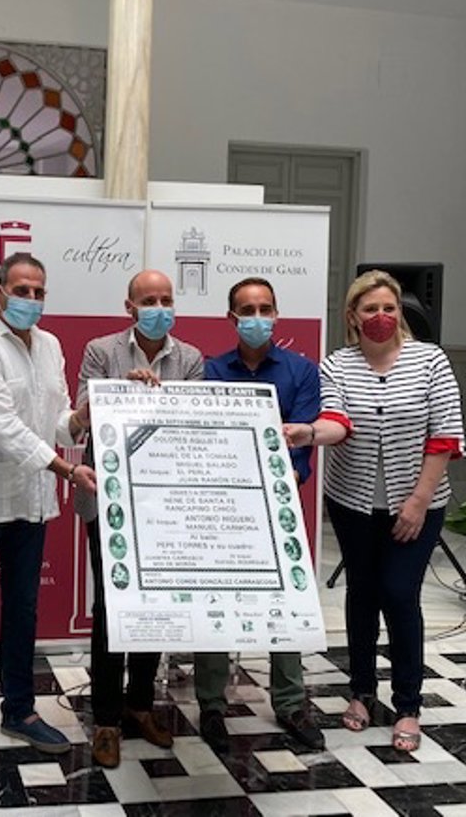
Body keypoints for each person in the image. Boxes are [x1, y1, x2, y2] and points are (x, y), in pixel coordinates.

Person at [284, 269, 464, 753]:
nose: (381, 316)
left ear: (399, 312)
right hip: (353, 502)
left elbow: (445, 435)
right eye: (370, 309)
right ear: (353, 316)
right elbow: (336, 421)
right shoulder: (337, 365)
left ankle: (408, 704)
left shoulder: (430, 361)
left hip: (419, 501)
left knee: (401, 594)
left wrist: (418, 502)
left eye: (389, 308)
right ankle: (362, 691)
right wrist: (307, 433)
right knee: (362, 594)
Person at [0, 252, 97, 771]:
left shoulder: (50, 345)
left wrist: (82, 417)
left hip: (31, 497)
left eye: (38, 291)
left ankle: (19, 710)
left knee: (23, 607)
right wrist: (67, 469)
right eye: (21, 290)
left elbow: (55, 419)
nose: (31, 299)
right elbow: (3, 426)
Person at [74, 269, 203, 768]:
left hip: (164, 503)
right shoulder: (101, 351)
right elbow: (81, 417)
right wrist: (119, 392)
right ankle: (106, 719)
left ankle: (140, 705)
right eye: (149, 300)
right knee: (111, 608)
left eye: (166, 299)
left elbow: (192, 425)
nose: (159, 308)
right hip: (108, 499)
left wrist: (158, 398)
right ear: (129, 307)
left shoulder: (190, 358)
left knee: (156, 606)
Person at [195, 277, 325, 753]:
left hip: (278, 505)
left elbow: (302, 439)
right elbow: (208, 436)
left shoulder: (301, 371)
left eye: (264, 308)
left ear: (276, 314)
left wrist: (287, 472)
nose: (256, 317)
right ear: (231, 318)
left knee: (284, 604)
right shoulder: (212, 371)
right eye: (247, 310)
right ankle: (211, 704)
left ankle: (290, 703)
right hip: (223, 506)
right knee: (215, 601)